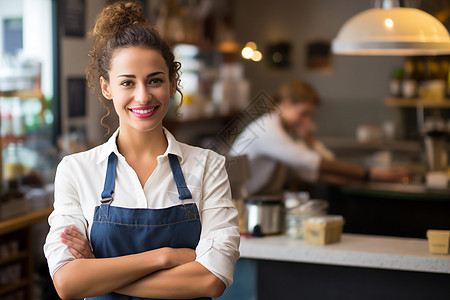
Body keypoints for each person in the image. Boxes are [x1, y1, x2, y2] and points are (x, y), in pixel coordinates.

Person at [43, 2, 239, 299]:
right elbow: (67, 283)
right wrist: (164, 257)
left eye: (155, 80)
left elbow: (211, 280)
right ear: (107, 88)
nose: (143, 96)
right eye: (127, 83)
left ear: (173, 83)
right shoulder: (76, 170)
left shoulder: (208, 166)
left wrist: (97, 270)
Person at [230, 79, 408, 195]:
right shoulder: (267, 128)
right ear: (286, 104)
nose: (307, 121)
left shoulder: (286, 130)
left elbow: (313, 169)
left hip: (255, 202)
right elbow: (312, 162)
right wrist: (373, 174)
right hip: (238, 207)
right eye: (303, 113)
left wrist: (309, 138)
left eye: (310, 116)